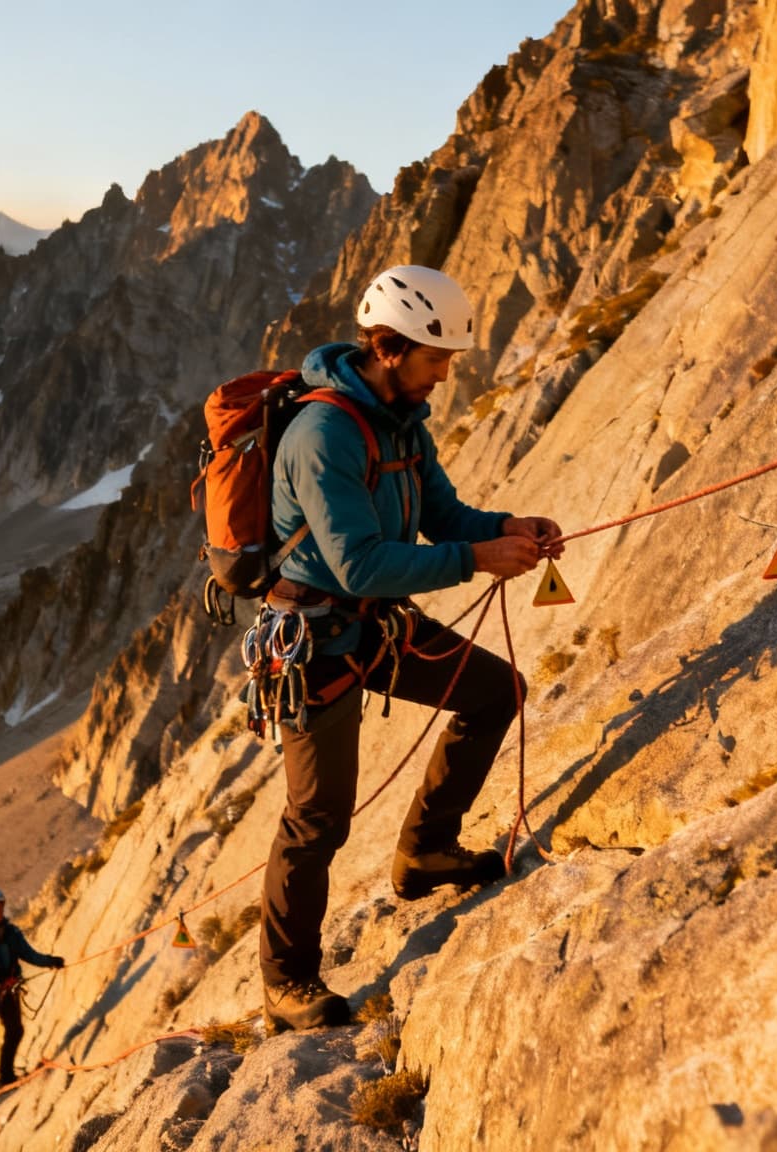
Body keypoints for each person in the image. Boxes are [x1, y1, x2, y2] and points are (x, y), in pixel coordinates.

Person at [259, 264, 560, 1031]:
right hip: (317, 640)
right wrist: (477, 560)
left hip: (376, 622)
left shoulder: (402, 422)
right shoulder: (323, 434)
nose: (445, 377)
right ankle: (286, 981)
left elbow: (443, 514)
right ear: (389, 348)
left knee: (496, 691)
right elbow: (358, 560)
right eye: (435, 361)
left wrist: (506, 529)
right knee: (317, 817)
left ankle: (426, 851)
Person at [0, 888, 64, 1094]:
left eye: (0, 905)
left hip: (8, 990)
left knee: (15, 1030)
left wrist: (50, 961)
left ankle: (6, 1075)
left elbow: (29, 955)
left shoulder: (11, 933)